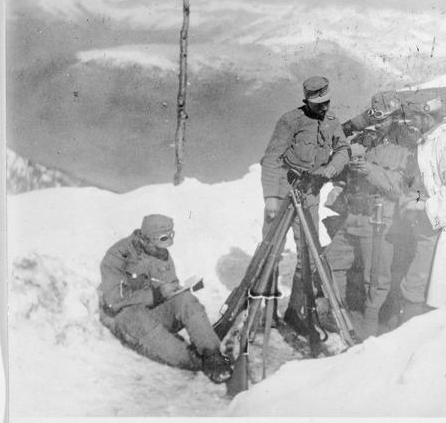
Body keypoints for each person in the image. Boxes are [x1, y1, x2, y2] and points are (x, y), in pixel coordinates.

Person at [259, 75, 350, 336]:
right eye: (318, 103)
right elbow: (271, 159)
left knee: (307, 255)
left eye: (327, 102)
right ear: (307, 101)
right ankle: (264, 313)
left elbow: (343, 148)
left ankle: (296, 310)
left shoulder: (332, 122)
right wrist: (271, 198)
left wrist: (331, 169)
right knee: (270, 253)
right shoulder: (291, 120)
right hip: (284, 191)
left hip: (309, 195)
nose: (324, 107)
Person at [98, 214, 232, 383]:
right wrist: (157, 294)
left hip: (153, 315)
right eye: (163, 238)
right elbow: (114, 300)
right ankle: (195, 361)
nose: (165, 246)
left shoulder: (160, 251)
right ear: (145, 238)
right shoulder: (118, 255)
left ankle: (212, 355)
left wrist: (174, 291)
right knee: (136, 315)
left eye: (170, 236)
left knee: (185, 300)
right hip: (125, 320)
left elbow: (169, 286)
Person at [324, 96, 413, 338]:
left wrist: (371, 171)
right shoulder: (365, 138)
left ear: (395, 118)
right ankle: (338, 315)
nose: (378, 123)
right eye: (375, 117)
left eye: (384, 118)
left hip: (380, 218)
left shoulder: (405, 147)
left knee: (375, 279)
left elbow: (400, 188)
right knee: (331, 264)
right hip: (353, 214)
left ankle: (370, 330)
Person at [398, 98, 446, 321]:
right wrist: (413, 199)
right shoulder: (428, 141)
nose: (410, 122)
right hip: (429, 219)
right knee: (425, 280)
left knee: (427, 281)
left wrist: (425, 206)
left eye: (414, 117)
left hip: (443, 222)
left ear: (427, 117)